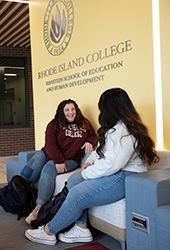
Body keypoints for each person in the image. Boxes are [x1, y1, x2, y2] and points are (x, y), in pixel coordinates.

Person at [25, 88, 159, 246]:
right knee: (74, 179)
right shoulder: (115, 128)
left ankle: (49, 231)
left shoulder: (124, 132)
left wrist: (88, 173)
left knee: (76, 193)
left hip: (126, 177)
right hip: (116, 173)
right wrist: (89, 162)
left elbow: (112, 165)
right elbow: (100, 150)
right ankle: (81, 227)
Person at [21, 99, 97, 225]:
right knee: (28, 172)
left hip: (70, 160)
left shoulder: (84, 123)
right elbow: (50, 144)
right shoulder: (54, 124)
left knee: (47, 170)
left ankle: (39, 209)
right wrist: (58, 160)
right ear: (62, 112)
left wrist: (89, 141)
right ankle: (20, 198)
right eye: (67, 110)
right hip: (49, 153)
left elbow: (93, 135)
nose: (70, 112)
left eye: (73, 109)